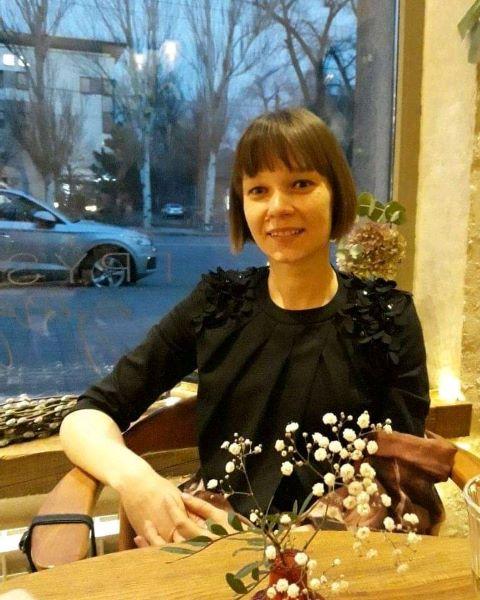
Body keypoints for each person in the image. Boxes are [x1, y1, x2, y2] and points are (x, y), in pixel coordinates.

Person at [59, 107, 430, 547]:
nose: (278, 207)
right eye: (258, 190)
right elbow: (88, 414)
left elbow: (400, 475)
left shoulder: (387, 317)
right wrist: (135, 478)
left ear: (336, 192)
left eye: (300, 184)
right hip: (209, 541)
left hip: (343, 551)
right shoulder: (217, 304)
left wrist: (270, 544)